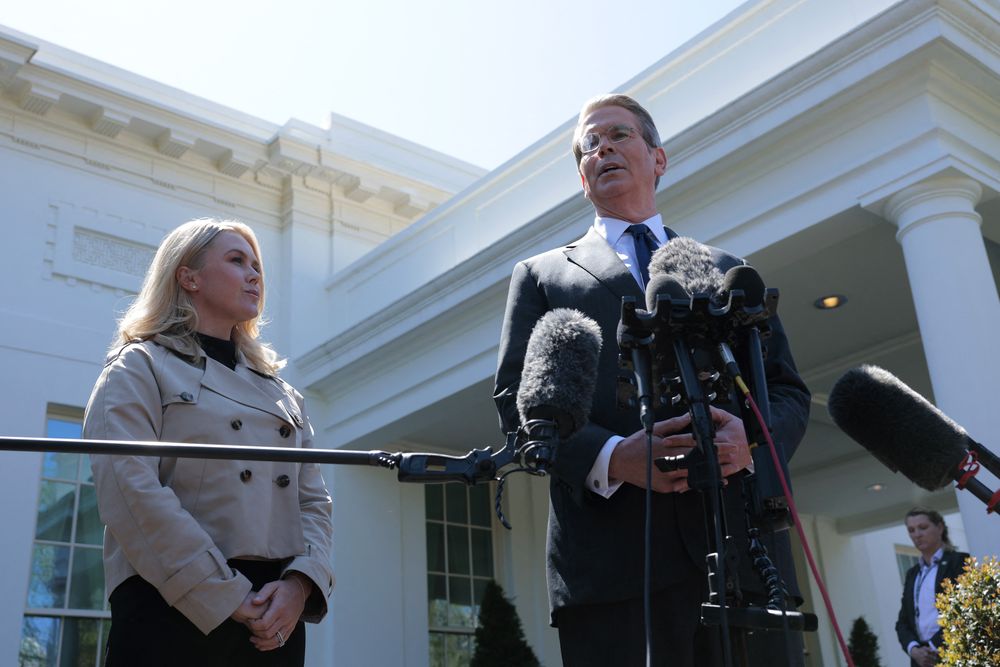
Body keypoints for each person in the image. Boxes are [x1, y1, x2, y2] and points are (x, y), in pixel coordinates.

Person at [493, 94, 811, 667]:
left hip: (743, 560)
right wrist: (614, 458)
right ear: (582, 177)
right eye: (588, 146)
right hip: (613, 575)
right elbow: (518, 407)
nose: (602, 148)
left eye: (618, 134)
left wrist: (751, 443)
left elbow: (787, 392)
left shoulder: (725, 270)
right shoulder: (542, 276)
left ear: (658, 158)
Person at [83, 219, 334, 666]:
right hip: (172, 599)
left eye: (257, 265)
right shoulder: (138, 366)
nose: (255, 274)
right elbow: (129, 489)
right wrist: (221, 592)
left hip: (274, 615)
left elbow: (314, 502)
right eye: (237, 261)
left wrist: (300, 585)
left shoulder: (283, 393)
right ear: (188, 276)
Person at [895, 508, 969, 667]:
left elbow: (964, 611)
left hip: (952, 654)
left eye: (923, 527)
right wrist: (914, 649)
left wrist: (932, 647)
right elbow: (903, 622)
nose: (917, 534)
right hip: (920, 660)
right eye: (911, 530)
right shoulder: (912, 574)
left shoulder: (959, 562)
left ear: (940, 528)